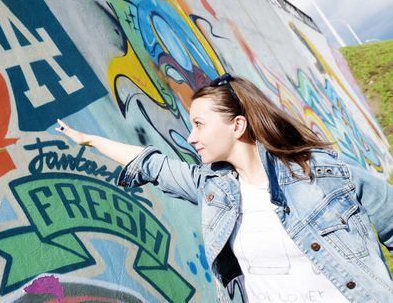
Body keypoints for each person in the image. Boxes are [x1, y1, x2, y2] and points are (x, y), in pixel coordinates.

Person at [56, 74, 393, 302]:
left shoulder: (320, 174)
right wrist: (90, 140)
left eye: (199, 125)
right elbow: (152, 165)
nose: (191, 137)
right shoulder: (215, 190)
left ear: (237, 126)